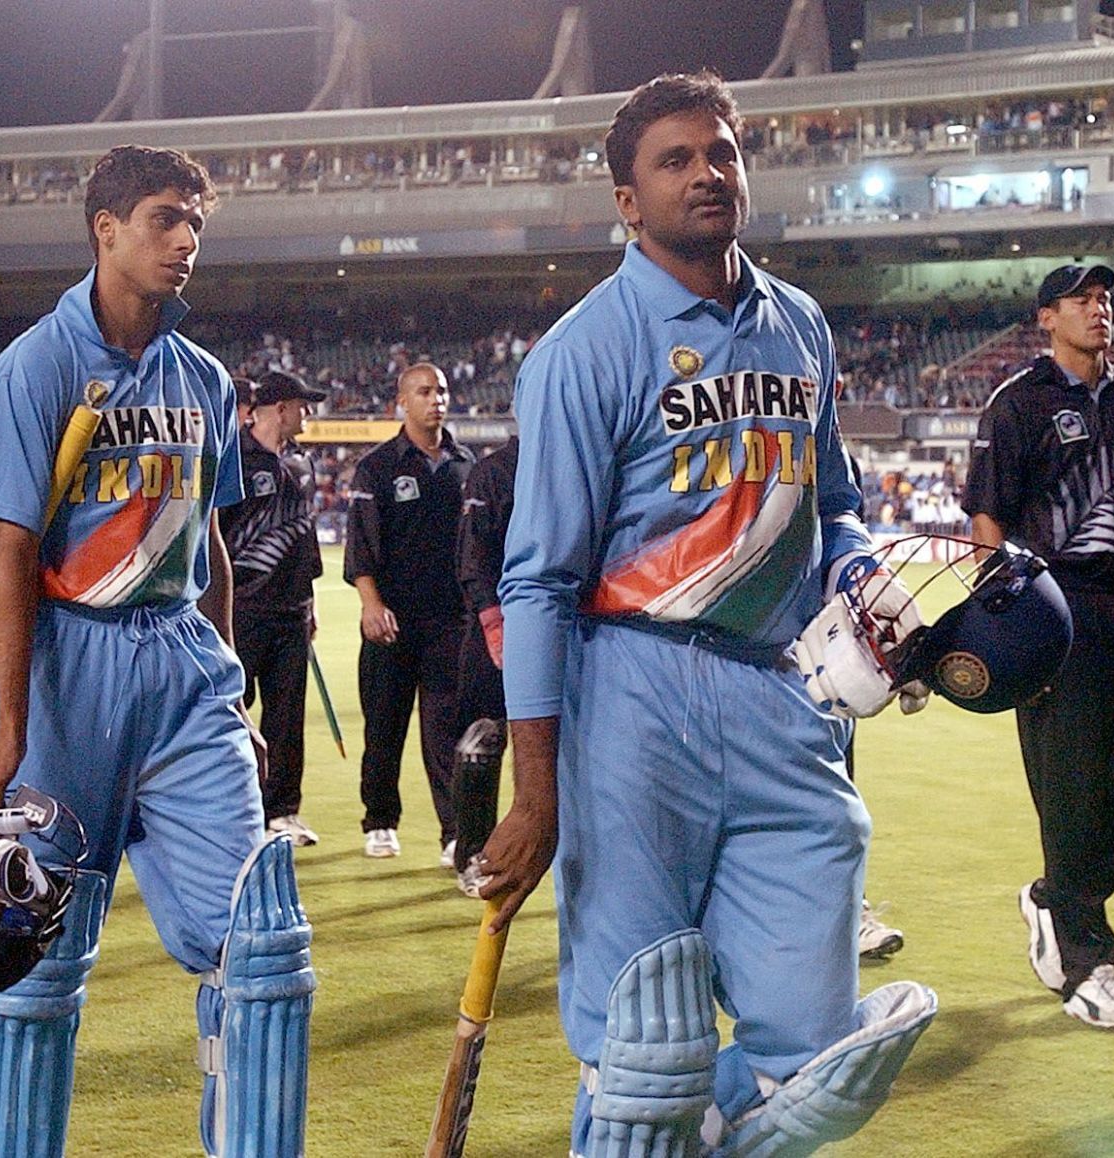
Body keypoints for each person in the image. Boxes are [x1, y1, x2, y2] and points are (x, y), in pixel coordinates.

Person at [479, 72, 935, 1156]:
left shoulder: (802, 325)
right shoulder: (582, 352)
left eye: (722, 152)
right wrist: (534, 794)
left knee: (815, 1048)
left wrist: (864, 581)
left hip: (784, 699)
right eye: (675, 161)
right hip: (632, 694)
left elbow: (835, 504)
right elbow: (538, 580)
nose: (708, 174)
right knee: (645, 1047)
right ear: (627, 202)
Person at [0, 144, 313, 1157]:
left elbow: (213, 551)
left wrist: (230, 689)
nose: (186, 239)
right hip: (71, 668)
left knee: (262, 948)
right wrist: (12, 727)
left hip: (184, 668)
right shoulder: (40, 364)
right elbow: (13, 554)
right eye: (164, 218)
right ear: (104, 229)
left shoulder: (202, 377)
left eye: (196, 220)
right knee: (34, 959)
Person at [964, 263, 1114, 1031]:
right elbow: (986, 520)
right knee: (1070, 792)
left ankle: (1057, 898)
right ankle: (1091, 969)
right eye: (1083, 300)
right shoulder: (1017, 402)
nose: (1100, 309)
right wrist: (1008, 626)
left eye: (1105, 298)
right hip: (1051, 612)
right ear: (1046, 316)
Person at [342, 362, 473, 862]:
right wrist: (370, 603)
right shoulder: (377, 468)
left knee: (447, 730)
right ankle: (379, 820)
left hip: (450, 621)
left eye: (441, 390)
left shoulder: (466, 464)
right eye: (424, 391)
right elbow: (361, 544)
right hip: (392, 620)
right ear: (402, 401)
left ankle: (455, 832)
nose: (435, 398)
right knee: (385, 726)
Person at [223, 367, 327, 847]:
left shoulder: (303, 464)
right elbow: (214, 539)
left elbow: (305, 537)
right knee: (229, 713)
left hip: (290, 609)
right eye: (303, 405)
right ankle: (230, 809)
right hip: (241, 610)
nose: (309, 413)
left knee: (287, 716)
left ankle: (282, 811)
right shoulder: (232, 460)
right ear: (280, 408)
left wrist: (311, 602)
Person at [447, 433, 517, 898]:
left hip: (572, 624)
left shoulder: (581, 457)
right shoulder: (493, 471)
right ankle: (474, 854)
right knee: (482, 739)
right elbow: (472, 558)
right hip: (502, 620)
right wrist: (493, 620)